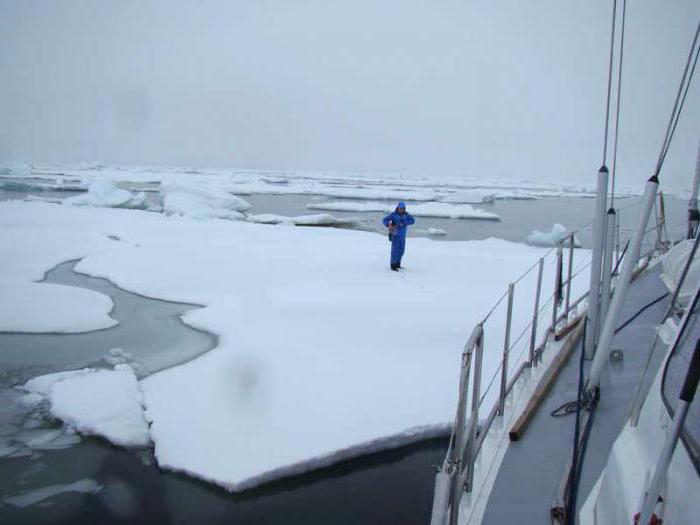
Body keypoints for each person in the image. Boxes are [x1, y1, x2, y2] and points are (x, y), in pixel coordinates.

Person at [382, 201, 415, 271]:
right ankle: (393, 265)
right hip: (395, 235)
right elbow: (385, 220)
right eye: (400, 208)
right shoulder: (393, 214)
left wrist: (404, 223)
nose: (401, 210)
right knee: (395, 251)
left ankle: (398, 263)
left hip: (403, 236)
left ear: (404, 209)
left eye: (402, 209)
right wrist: (388, 225)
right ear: (397, 208)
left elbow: (412, 221)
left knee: (401, 251)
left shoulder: (406, 215)